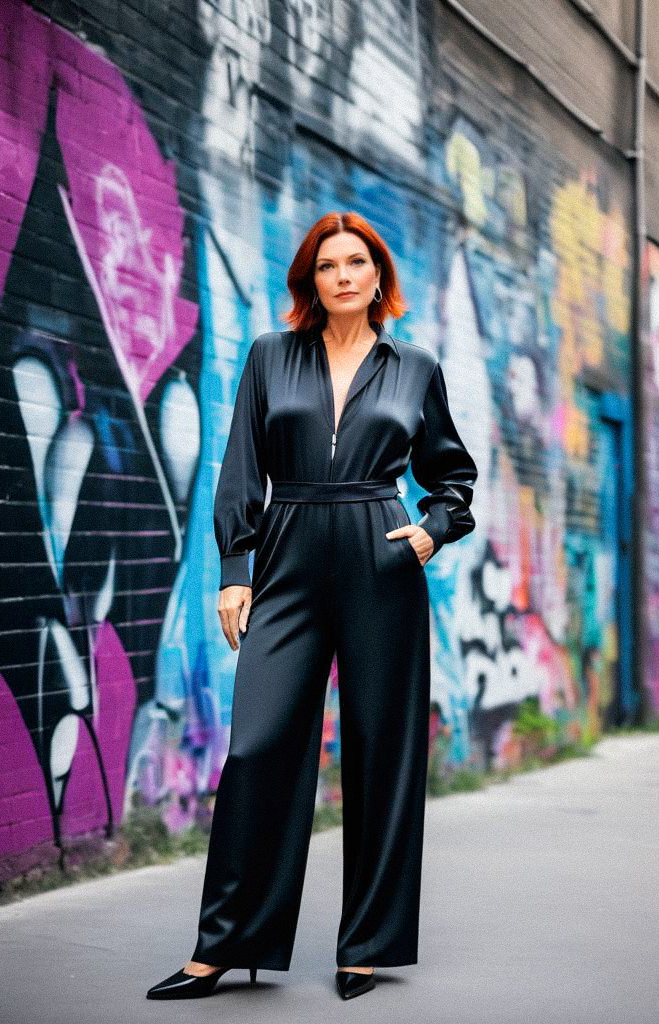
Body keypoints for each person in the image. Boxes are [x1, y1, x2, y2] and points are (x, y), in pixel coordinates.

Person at [146, 211, 478, 1002]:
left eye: (356, 262)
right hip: (289, 554)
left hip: (380, 555)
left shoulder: (414, 366)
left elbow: (453, 477)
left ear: (377, 275)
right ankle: (224, 944)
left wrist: (431, 533)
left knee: (379, 753)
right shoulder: (271, 357)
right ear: (309, 280)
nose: (342, 276)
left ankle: (365, 940)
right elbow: (241, 467)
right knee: (258, 746)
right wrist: (236, 567)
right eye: (327, 265)